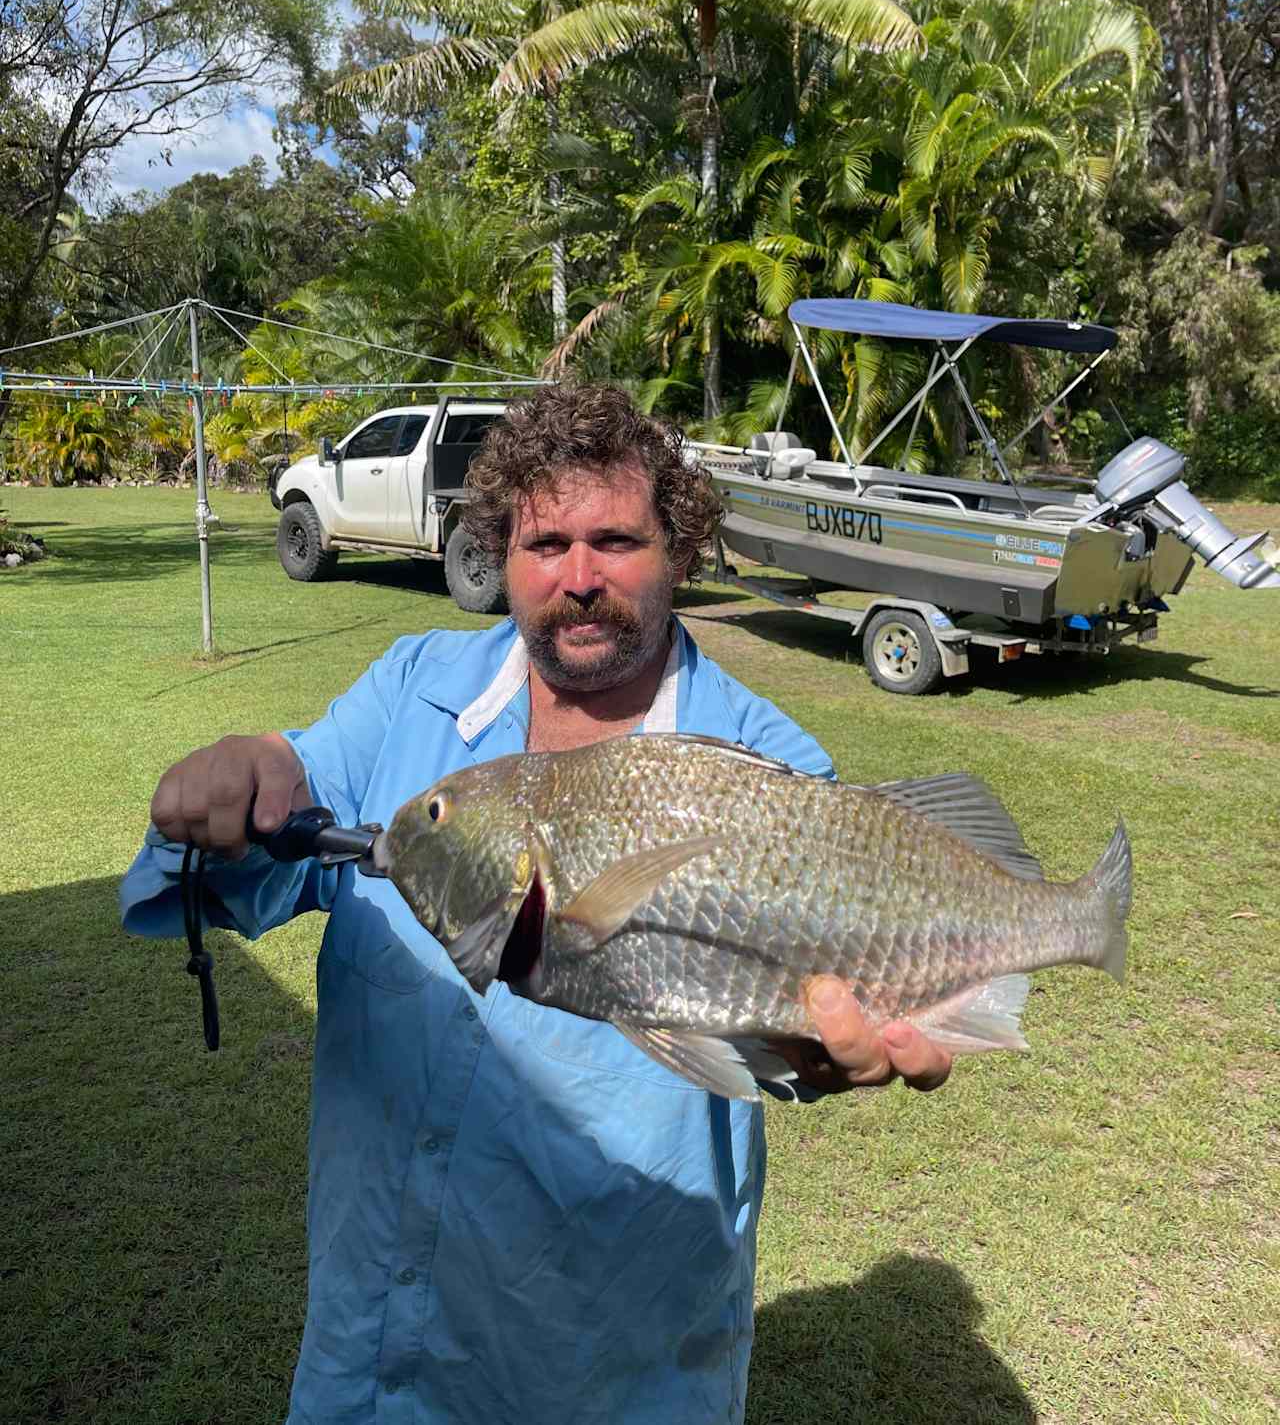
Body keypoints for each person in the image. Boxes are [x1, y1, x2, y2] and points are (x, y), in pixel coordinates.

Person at [121, 384, 951, 1425]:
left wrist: (814, 1052)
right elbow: (258, 849)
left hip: (606, 1367)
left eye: (616, 541)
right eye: (545, 543)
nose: (579, 578)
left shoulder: (766, 769)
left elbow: (795, 1025)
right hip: (369, 1356)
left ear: (680, 551)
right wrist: (227, 792)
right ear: (500, 554)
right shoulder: (410, 692)